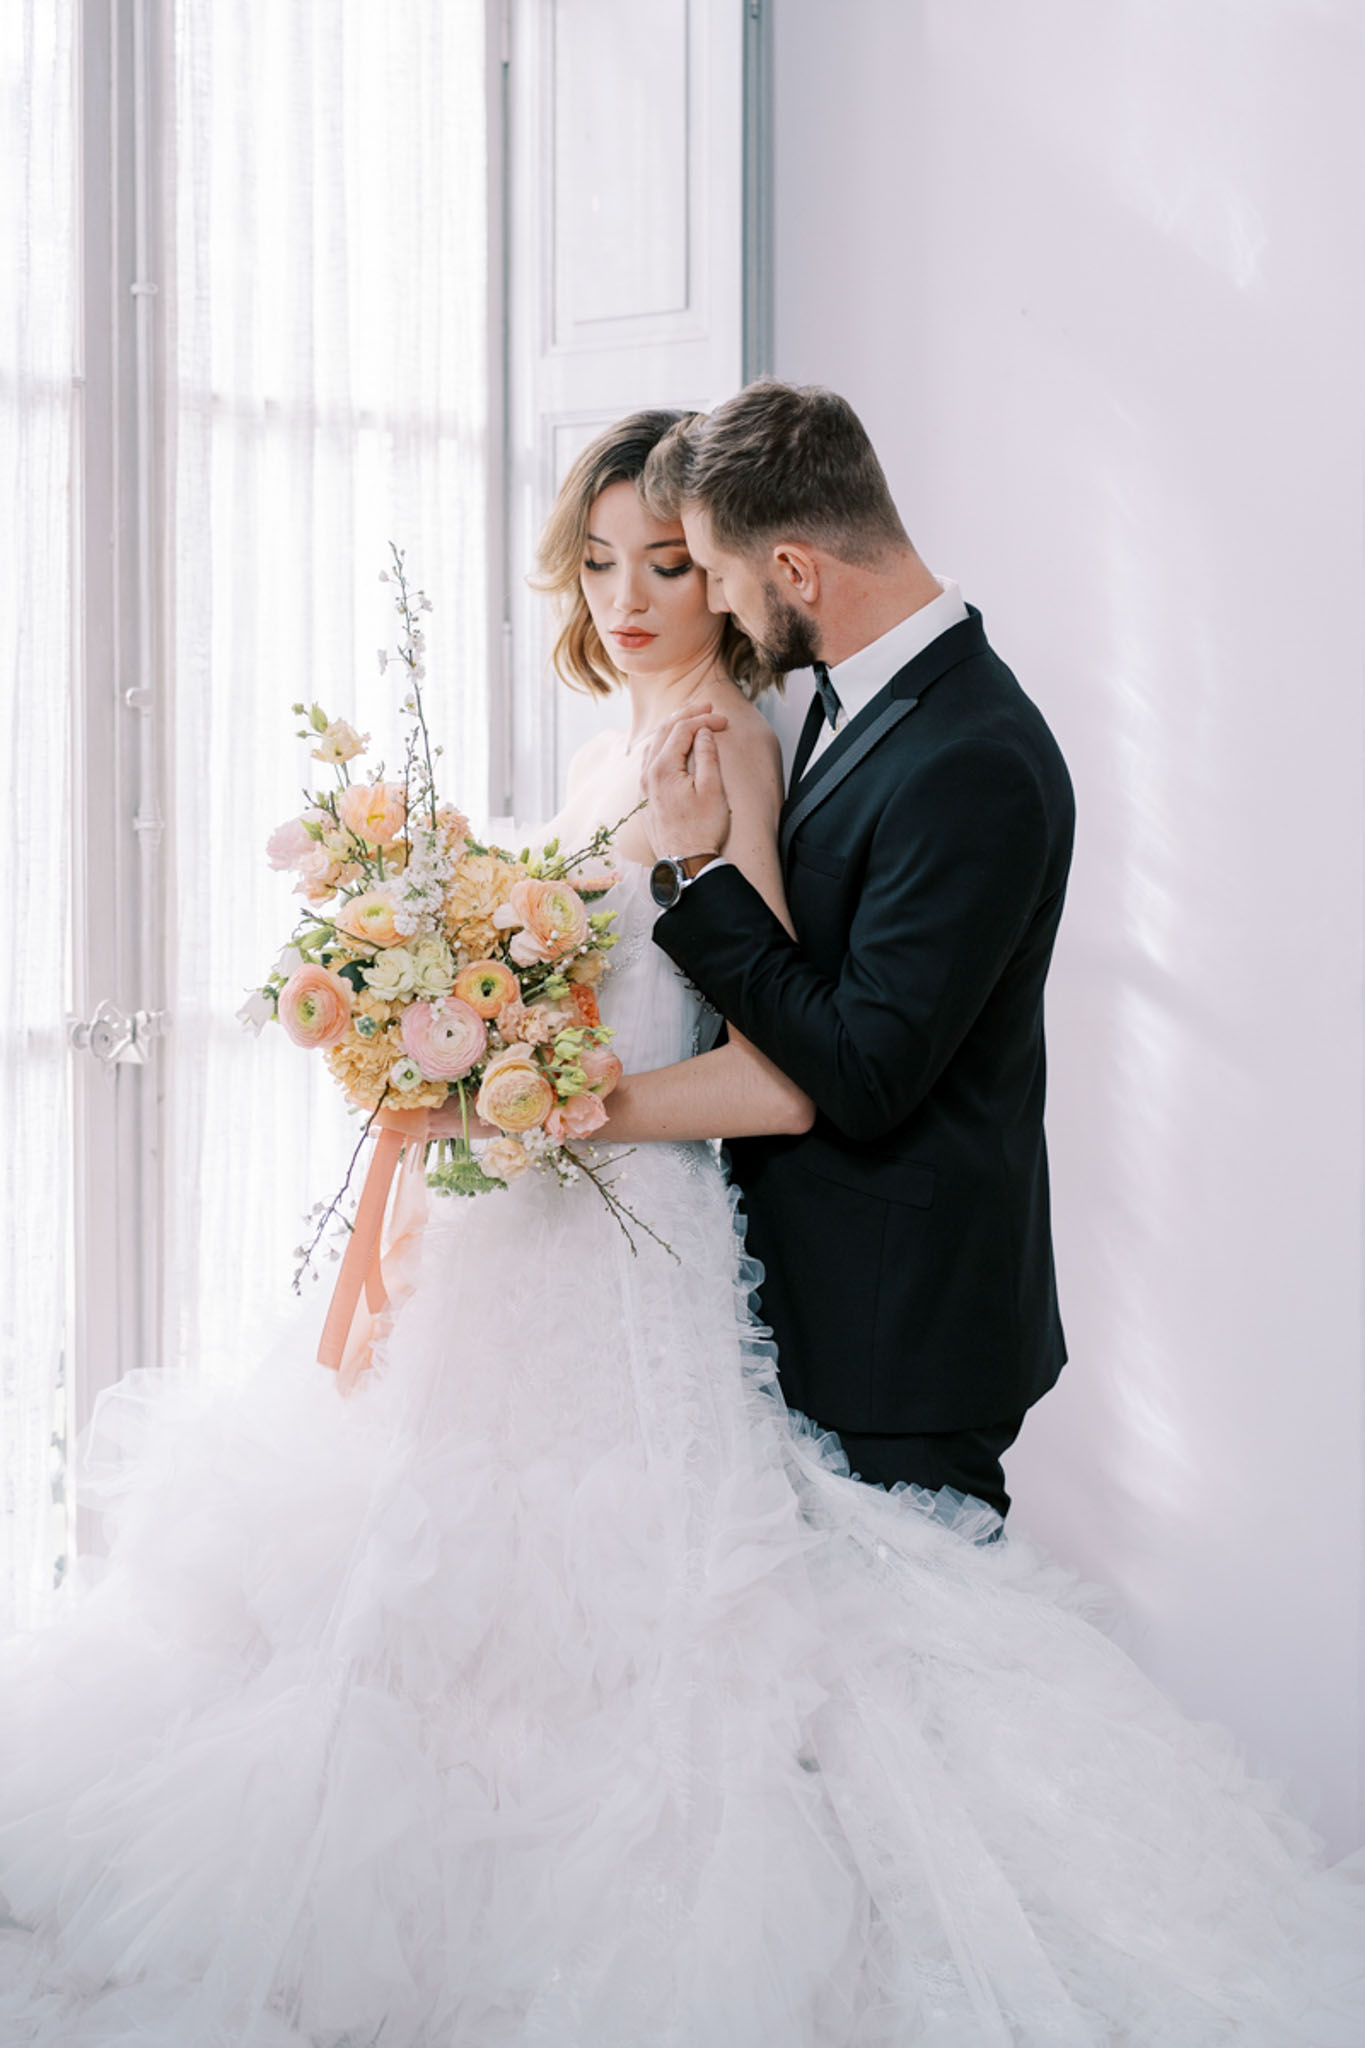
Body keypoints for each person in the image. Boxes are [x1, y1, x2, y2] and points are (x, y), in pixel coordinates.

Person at [0, 408, 1361, 2046]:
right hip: (566, 1238)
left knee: (732, 1652)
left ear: (755, 578)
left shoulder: (769, 744)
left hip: (692, 1244)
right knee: (448, 1594)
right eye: (606, 561)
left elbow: (799, 1071)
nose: (643, 593)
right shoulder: (676, 736)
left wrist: (537, 1099)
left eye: (678, 563)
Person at [627, 381, 1074, 1524]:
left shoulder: (973, 756)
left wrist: (696, 873)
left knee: (929, 1688)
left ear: (796, 570)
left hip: (904, 1334)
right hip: (835, 1297)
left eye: (719, 574)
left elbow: (868, 1070)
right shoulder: (857, 696)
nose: (719, 603)